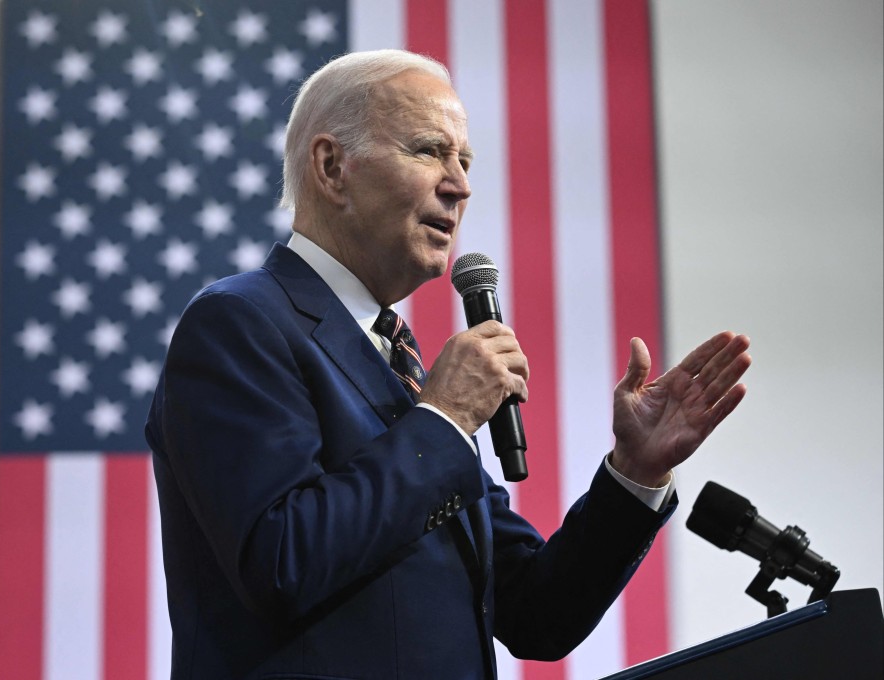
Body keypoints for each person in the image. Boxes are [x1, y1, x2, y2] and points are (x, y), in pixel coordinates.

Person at [146, 49, 751, 679]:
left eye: (464, 162)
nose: (460, 185)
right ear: (332, 167)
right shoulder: (239, 322)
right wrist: (443, 419)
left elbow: (536, 614)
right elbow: (281, 562)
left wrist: (634, 471)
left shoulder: (401, 367)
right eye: (429, 151)